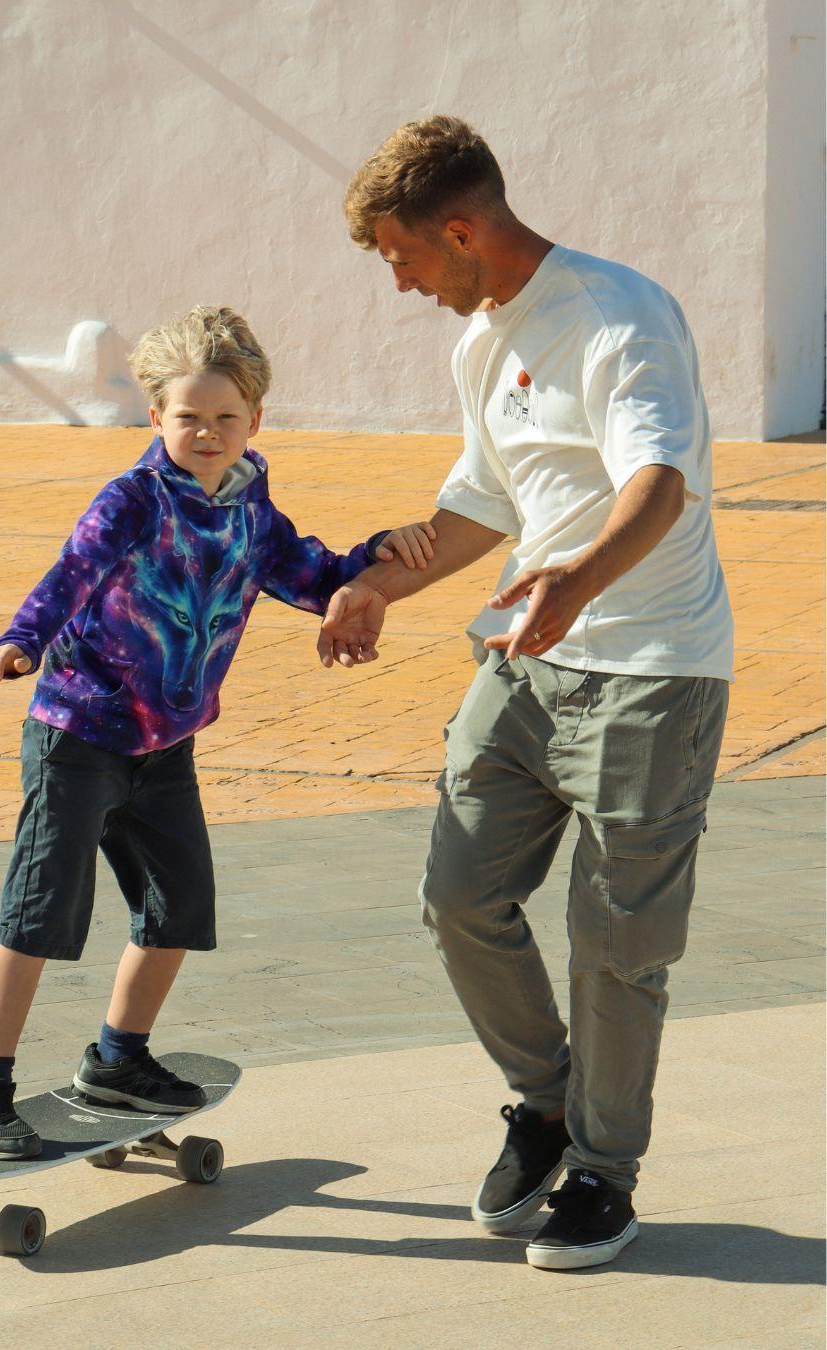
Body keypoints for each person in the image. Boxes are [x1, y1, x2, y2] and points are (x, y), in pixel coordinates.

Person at [320, 117, 733, 1270]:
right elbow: (482, 503)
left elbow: (660, 482)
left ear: (460, 231)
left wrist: (581, 578)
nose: (399, 283)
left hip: (652, 670)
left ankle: (604, 1170)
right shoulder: (481, 343)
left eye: (401, 257)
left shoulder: (620, 315)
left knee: (618, 942)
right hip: (523, 661)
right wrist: (376, 587)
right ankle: (546, 1104)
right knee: (459, 896)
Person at [0, 305, 434, 1160]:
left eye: (225, 419)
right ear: (155, 417)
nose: (206, 434)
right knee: (39, 915)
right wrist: (21, 639)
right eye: (187, 418)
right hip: (79, 736)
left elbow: (305, 572)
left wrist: (372, 561)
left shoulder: (249, 503)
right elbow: (71, 573)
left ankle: (117, 1062)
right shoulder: (132, 499)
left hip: (166, 745)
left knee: (178, 909)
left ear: (255, 421)